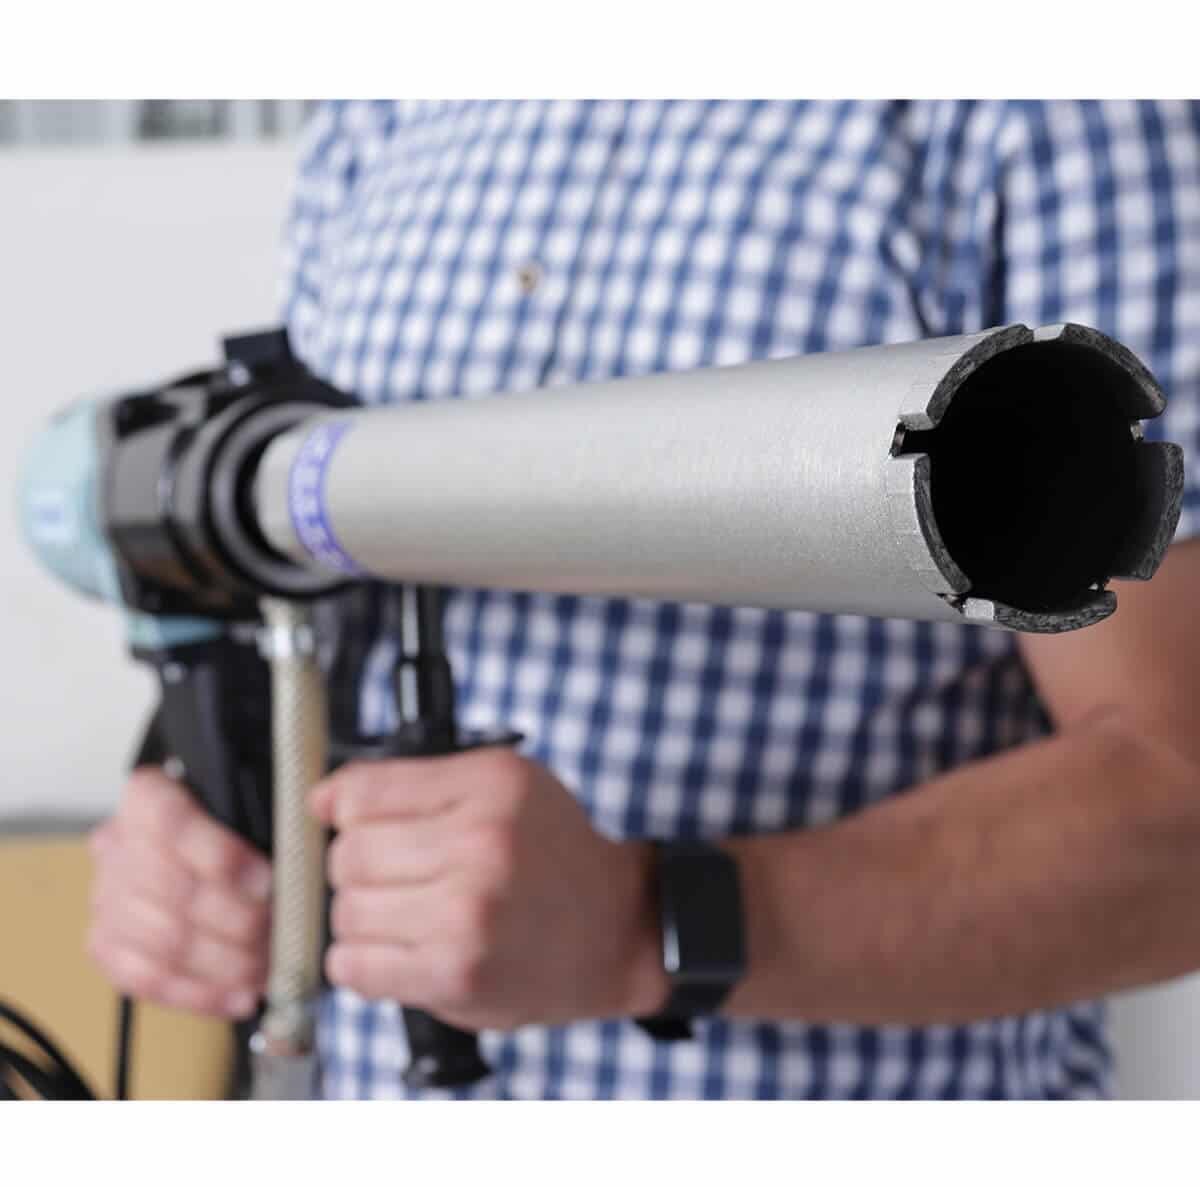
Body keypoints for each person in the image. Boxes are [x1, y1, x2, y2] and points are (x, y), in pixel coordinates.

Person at [86, 100, 1200, 1099]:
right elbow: (313, 598)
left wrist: (648, 923)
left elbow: (1178, 795)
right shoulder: (388, 109)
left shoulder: (1052, 105)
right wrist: (221, 848)